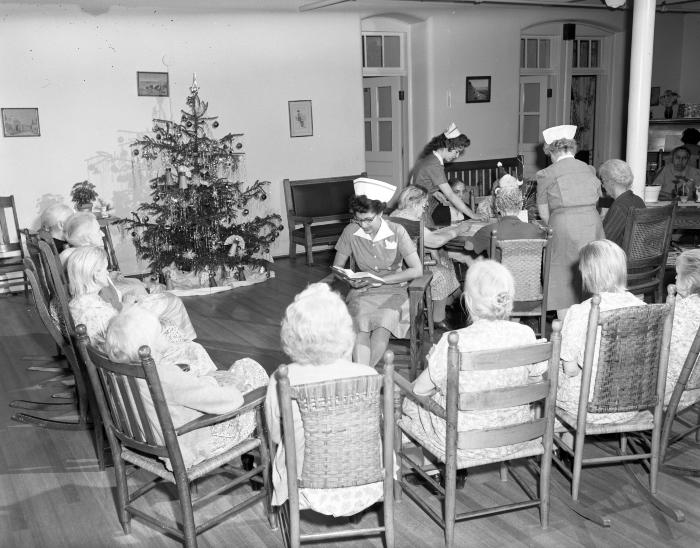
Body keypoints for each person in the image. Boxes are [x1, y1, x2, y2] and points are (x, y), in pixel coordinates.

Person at [400, 260, 548, 464]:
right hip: (516, 436)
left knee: (411, 399)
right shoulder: (526, 334)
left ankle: (433, 468)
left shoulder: (454, 340)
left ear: (467, 301)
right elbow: (535, 379)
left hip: (462, 442)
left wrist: (433, 364)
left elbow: (421, 392)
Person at [264, 283, 383, 517]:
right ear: (345, 330)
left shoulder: (283, 378)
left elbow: (276, 435)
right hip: (369, 483)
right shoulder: (368, 375)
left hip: (307, 488)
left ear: (292, 333)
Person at [104, 306, 267, 470]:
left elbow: (184, 393)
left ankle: (246, 457)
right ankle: (264, 460)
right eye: (158, 333)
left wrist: (209, 380)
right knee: (250, 369)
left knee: (231, 372)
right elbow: (228, 401)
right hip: (190, 444)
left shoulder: (116, 371)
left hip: (145, 439)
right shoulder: (164, 375)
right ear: (149, 343)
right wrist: (234, 389)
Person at [333, 181, 423, 367]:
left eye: (368, 220)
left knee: (384, 322)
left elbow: (416, 269)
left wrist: (381, 280)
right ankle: (365, 378)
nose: (363, 225)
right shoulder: (351, 232)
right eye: (359, 219)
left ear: (381, 213)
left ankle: (363, 376)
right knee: (360, 324)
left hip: (394, 291)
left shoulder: (397, 231)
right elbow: (337, 267)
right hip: (362, 291)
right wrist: (350, 279)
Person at [556, 240, 645, 424]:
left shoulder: (581, 312)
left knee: (547, 374)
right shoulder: (643, 308)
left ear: (588, 274)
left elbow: (570, 370)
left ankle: (558, 445)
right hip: (631, 406)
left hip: (587, 407)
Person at [536, 125, 604, 319]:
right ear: (572, 148)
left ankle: (566, 331)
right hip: (592, 222)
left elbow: (543, 212)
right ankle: (591, 323)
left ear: (551, 151)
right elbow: (597, 199)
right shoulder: (589, 169)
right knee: (593, 272)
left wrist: (554, 225)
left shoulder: (546, 174)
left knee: (563, 276)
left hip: (563, 225)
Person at [67, 246, 197, 347]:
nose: (107, 272)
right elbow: (121, 330)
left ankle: (183, 343)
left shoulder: (79, 301)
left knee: (167, 323)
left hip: (119, 339)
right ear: (95, 274)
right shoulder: (95, 308)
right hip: (127, 348)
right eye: (105, 269)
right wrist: (129, 306)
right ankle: (184, 349)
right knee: (169, 327)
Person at [392, 185, 470, 329]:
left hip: (401, 263)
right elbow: (435, 241)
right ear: (414, 203)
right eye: (424, 203)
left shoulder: (395, 215)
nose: (426, 206)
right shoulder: (410, 222)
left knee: (446, 261)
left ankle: (445, 305)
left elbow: (415, 241)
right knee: (442, 273)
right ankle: (437, 319)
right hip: (406, 268)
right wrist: (458, 230)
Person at [410, 123, 477, 228]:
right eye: (457, 152)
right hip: (417, 210)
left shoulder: (430, 158)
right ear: (447, 146)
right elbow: (450, 195)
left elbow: (422, 182)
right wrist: (473, 215)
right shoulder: (435, 164)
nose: (457, 156)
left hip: (418, 205)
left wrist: (435, 192)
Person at [466, 184, 545, 257]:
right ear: (520, 206)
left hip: (499, 272)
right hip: (530, 272)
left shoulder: (489, 231)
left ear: (497, 207)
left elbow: (468, 247)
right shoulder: (536, 230)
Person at [664, 249, 700, 408]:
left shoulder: (680, 311)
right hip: (696, 388)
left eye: (678, 274)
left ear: (690, 282)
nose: (676, 277)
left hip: (672, 390)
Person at [598, 159, 646, 247]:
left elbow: (604, 242)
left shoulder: (619, 206)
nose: (603, 186)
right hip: (639, 255)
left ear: (611, 182)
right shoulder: (638, 200)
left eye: (603, 181)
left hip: (621, 257)